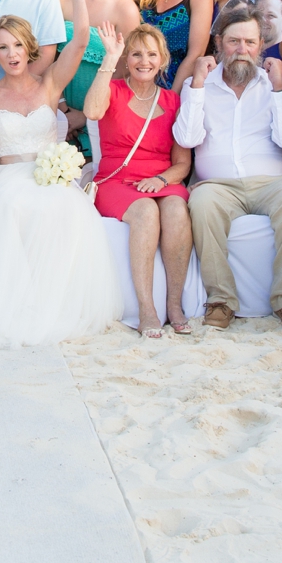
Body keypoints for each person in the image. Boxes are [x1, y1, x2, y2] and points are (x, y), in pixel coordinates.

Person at [0, 0, 123, 349]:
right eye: (3, 47)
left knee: (67, 207)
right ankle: (17, 306)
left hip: (50, 175)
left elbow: (80, 42)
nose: (11, 54)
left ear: (30, 49)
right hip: (7, 175)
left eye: (18, 46)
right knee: (10, 206)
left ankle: (55, 305)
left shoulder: (49, 85)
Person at [175, 14, 282, 329]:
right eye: (234, 41)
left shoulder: (276, 86)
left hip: (271, 183)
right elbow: (186, 138)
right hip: (218, 185)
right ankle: (221, 301)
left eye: (250, 42)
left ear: (261, 46)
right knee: (202, 203)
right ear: (219, 44)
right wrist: (197, 83)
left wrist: (279, 88)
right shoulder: (198, 86)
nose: (242, 49)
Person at [82, 24, 193, 337]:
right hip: (118, 179)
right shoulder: (114, 90)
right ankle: (147, 308)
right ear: (127, 59)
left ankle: (174, 304)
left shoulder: (173, 101)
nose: (144, 61)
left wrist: (161, 179)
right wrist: (109, 59)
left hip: (161, 177)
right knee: (145, 211)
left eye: (151, 54)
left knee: (174, 209)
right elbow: (91, 111)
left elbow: (182, 163)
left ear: (163, 60)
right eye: (136, 54)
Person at [56, 0, 142, 140]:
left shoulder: (124, 8)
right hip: (58, 106)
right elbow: (47, 56)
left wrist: (85, 116)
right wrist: (61, 109)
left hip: (102, 109)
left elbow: (125, 73)